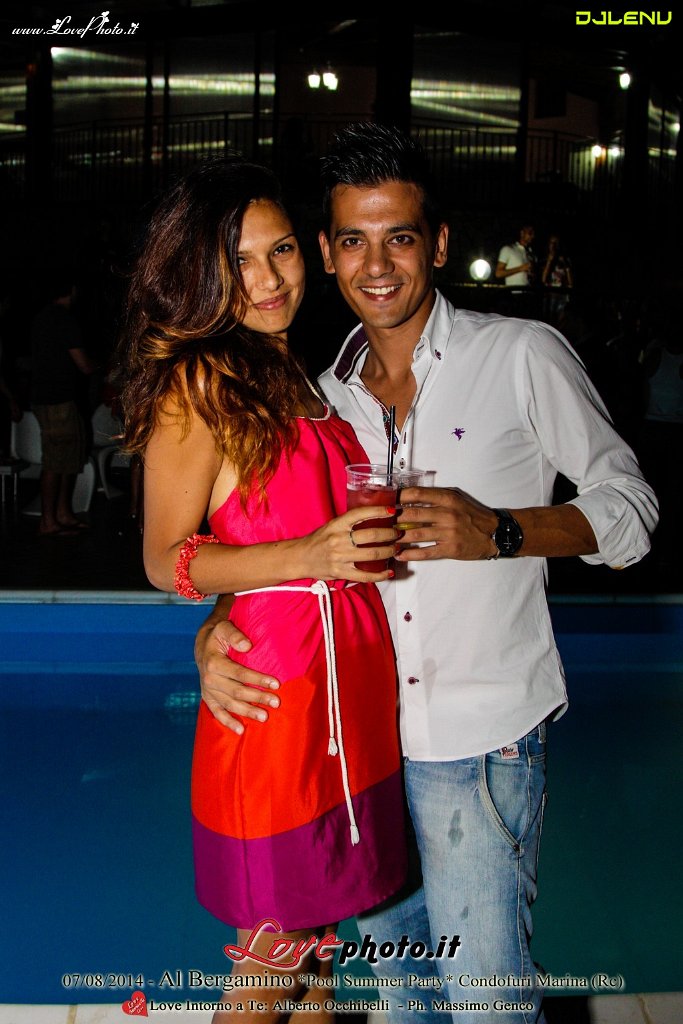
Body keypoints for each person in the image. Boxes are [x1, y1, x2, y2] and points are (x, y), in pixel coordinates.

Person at [194, 125, 658, 1024]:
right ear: (326, 252)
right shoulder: (321, 396)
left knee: (485, 1004)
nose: (377, 265)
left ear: (437, 244)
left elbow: (631, 508)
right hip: (358, 749)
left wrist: (502, 530)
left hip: (478, 742)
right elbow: (275, 551)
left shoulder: (519, 353)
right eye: (353, 241)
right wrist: (216, 626)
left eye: (399, 237)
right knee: (405, 998)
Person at [116, 158, 407, 1024]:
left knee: (319, 959)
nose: (269, 278)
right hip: (277, 698)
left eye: (280, 250)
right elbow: (164, 558)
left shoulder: (303, 376)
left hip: (346, 693)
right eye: (238, 260)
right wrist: (305, 555)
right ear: (203, 272)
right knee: (272, 959)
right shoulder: (198, 383)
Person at [30, 275, 96, 535]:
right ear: (72, 290)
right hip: (57, 400)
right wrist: (102, 367)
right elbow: (83, 364)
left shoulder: (41, 318)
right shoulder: (64, 319)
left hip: (49, 397)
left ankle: (62, 514)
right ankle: (48, 521)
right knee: (56, 461)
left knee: (68, 458)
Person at [541, 233, 573, 325]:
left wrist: (566, 265)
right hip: (549, 296)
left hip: (562, 296)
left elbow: (571, 283)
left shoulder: (565, 260)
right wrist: (549, 261)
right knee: (549, 321)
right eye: (552, 242)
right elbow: (543, 280)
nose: (554, 245)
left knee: (561, 322)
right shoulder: (544, 259)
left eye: (556, 243)